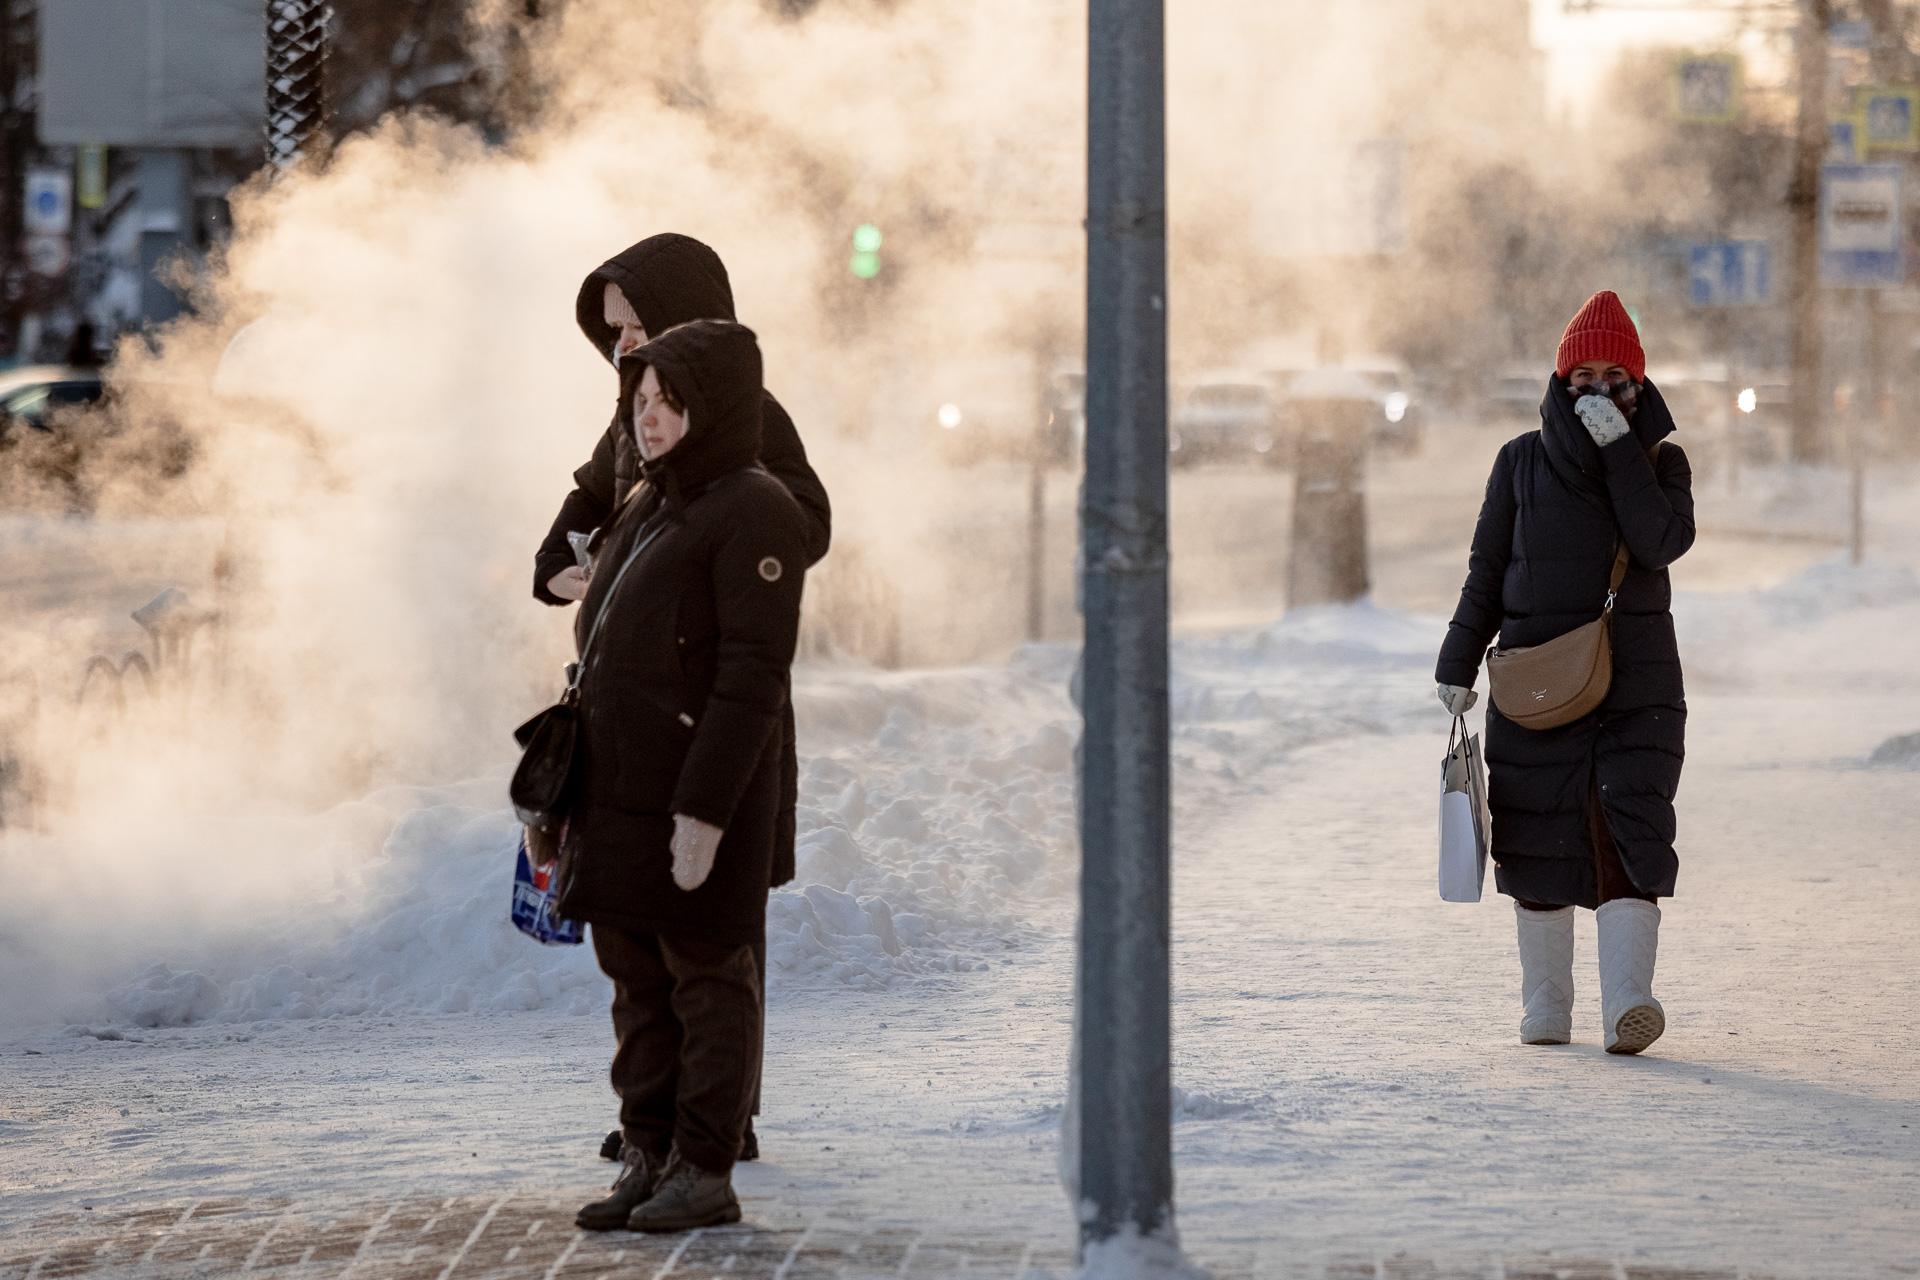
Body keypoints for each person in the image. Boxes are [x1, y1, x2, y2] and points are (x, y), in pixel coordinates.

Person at [536, 233, 829, 1165]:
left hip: (711, 709)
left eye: (638, 326)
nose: (623, 347)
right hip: (634, 713)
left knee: (717, 930)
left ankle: (719, 1125)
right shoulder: (633, 413)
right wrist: (561, 563)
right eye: (613, 332)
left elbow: (801, 518)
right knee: (648, 925)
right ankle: (659, 1121)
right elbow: (592, 497)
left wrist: (699, 560)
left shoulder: (744, 414)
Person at [1434, 291, 1695, 1055]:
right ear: (1559, 378)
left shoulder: (1660, 462)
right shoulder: (1518, 463)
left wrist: (1620, 452)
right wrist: (1457, 660)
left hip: (1637, 687)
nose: (1598, 389)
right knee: (1537, 844)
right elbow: (1486, 572)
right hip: (1536, 683)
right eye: (1583, 374)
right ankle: (1545, 1010)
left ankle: (1628, 1006)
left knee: (1627, 834)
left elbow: (1661, 542)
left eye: (1616, 376)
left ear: (1639, 386)